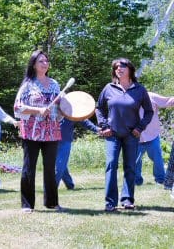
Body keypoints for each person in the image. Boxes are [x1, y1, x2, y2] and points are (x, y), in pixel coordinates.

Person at [96, 58, 153, 212]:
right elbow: (99, 108)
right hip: (112, 134)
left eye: (122, 66)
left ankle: (127, 200)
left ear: (130, 69)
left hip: (131, 135)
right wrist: (104, 126)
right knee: (111, 165)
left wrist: (140, 128)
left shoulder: (139, 89)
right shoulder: (109, 88)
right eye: (116, 67)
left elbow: (149, 111)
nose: (119, 69)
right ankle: (110, 203)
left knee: (130, 167)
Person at [14, 50, 63, 213]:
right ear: (34, 65)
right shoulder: (27, 85)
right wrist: (37, 110)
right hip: (32, 132)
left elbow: (62, 107)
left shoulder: (55, 84)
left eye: (46, 61)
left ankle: (52, 202)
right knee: (29, 168)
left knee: (50, 168)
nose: (45, 63)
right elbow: (18, 108)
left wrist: (66, 110)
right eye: (41, 61)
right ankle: (27, 204)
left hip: (52, 131)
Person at [135, 92, 174, 186]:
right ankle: (136, 181)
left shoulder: (151, 96)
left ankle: (160, 180)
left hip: (152, 135)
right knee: (134, 160)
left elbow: (168, 101)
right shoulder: (128, 97)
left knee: (157, 159)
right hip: (136, 136)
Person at [55, 118, 99, 190]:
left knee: (59, 165)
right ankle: (70, 184)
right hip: (50, 140)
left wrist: (96, 129)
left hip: (65, 140)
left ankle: (51, 189)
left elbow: (83, 120)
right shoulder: (51, 107)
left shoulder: (71, 110)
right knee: (62, 165)